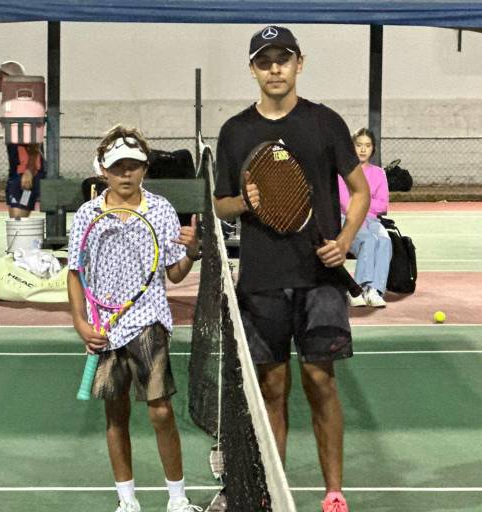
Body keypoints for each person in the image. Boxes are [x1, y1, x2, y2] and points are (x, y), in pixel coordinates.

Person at [213, 26, 370, 512]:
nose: (274, 68)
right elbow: (219, 205)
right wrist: (244, 201)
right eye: (265, 61)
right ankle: (272, 496)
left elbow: (360, 191)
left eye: (283, 59)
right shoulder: (235, 131)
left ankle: (333, 494)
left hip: (319, 278)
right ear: (253, 69)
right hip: (261, 278)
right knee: (271, 387)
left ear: (300, 63)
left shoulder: (325, 123)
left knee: (321, 381)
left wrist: (344, 241)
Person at [67, 125, 202, 512]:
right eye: (118, 167)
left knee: (160, 411)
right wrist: (80, 323)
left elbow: (174, 274)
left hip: (149, 321)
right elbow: (75, 273)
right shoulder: (88, 215)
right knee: (116, 414)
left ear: (145, 169)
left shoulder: (160, 210)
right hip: (105, 329)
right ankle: (127, 501)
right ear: (103, 171)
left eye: (134, 166)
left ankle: (177, 499)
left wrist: (192, 252)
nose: (126, 174)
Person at [338, 128, 392, 308]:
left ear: (373, 149)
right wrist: (368, 202)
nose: (363, 150)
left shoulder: (379, 173)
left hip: (372, 220)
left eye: (367, 146)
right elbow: (347, 205)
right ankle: (357, 289)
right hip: (348, 220)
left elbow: (383, 205)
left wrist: (361, 200)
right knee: (369, 240)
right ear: (352, 147)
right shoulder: (343, 173)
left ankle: (374, 291)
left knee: (384, 241)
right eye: (359, 145)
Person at [0, 60, 44, 219]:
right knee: (16, 220)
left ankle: (23, 244)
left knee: (18, 221)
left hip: (25, 171)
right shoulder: (12, 106)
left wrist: (29, 171)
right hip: (17, 172)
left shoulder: (22, 107)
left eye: (0, 77)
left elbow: (33, 142)